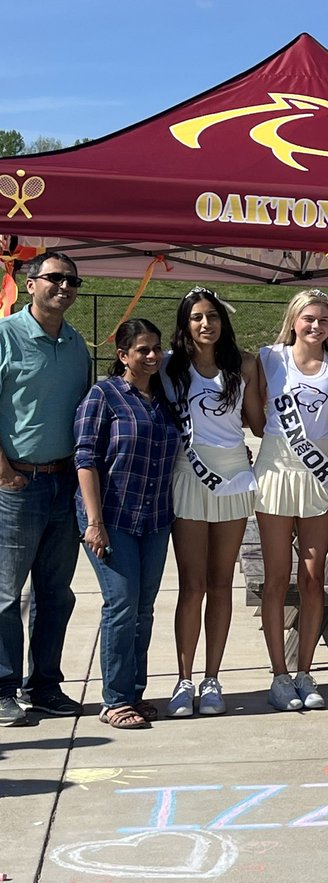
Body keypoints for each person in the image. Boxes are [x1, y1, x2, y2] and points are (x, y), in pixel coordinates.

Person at [162, 287, 263, 718]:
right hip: (189, 475)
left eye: (214, 316)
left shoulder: (243, 365)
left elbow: (258, 422)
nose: (207, 324)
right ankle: (183, 680)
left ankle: (212, 679)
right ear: (185, 324)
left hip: (233, 476)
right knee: (192, 585)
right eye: (197, 317)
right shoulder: (169, 366)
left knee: (221, 583)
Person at [0, 251, 91, 726]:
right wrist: (4, 472)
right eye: (54, 278)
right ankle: (2, 689)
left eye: (72, 280)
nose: (65, 287)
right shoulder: (5, 335)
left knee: (56, 594)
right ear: (30, 283)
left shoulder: (76, 344)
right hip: (17, 484)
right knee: (5, 594)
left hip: (63, 483)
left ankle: (45, 687)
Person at [75, 319, 181, 728]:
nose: (152, 356)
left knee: (143, 609)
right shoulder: (103, 396)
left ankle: (134, 693)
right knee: (121, 604)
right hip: (112, 518)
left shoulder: (165, 398)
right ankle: (115, 700)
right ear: (123, 355)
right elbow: (85, 458)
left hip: (154, 519)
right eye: (142, 350)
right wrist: (94, 522)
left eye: (156, 348)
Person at [253, 289, 328, 712]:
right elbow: (253, 414)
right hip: (276, 472)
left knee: (312, 579)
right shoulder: (269, 358)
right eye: (309, 318)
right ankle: (279, 675)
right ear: (294, 320)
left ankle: (305, 672)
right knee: (276, 578)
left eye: (324, 320)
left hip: (318, 476)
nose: (316, 326)